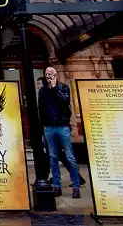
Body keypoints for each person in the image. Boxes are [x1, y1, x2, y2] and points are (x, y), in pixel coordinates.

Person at [38, 66, 80, 198]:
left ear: (56, 75)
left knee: (70, 156)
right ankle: (57, 185)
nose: (49, 77)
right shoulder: (43, 90)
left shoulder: (63, 87)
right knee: (53, 157)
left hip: (62, 127)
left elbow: (64, 102)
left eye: (51, 74)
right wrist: (43, 126)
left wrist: (55, 87)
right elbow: (42, 107)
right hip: (49, 127)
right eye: (46, 74)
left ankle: (76, 185)